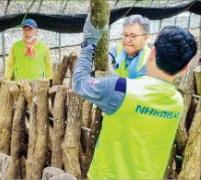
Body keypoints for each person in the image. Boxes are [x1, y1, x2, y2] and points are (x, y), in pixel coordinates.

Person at [73, 16, 197, 179]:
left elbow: (79, 82)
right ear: (184, 68)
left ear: (152, 52)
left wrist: (89, 43)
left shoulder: (121, 88)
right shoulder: (177, 101)